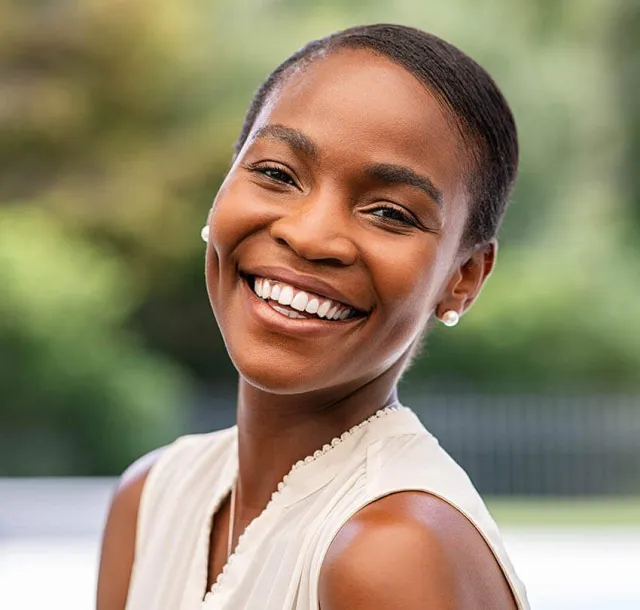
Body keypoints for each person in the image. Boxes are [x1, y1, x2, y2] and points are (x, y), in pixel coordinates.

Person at [97, 23, 529, 610]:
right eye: (276, 174)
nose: (309, 236)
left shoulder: (390, 551)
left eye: (390, 213)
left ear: (464, 278)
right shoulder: (152, 497)